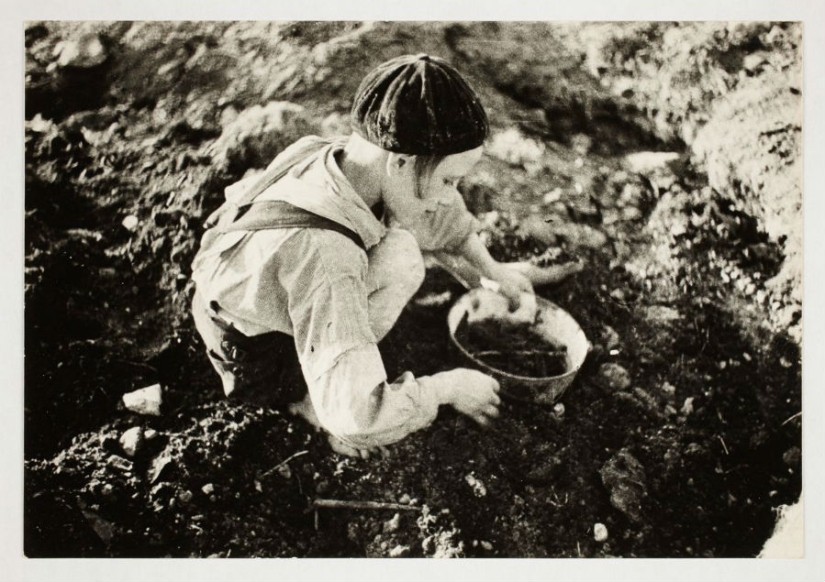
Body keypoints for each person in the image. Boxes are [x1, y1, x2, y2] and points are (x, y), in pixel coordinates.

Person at [190, 54, 580, 458]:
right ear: (400, 160)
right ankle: (305, 403)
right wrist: (446, 390)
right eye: (449, 179)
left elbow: (435, 209)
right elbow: (358, 417)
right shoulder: (327, 257)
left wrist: (489, 269)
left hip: (262, 291)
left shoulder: (345, 159)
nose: (451, 193)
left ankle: (330, 366)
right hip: (253, 356)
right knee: (400, 264)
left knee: (399, 248)